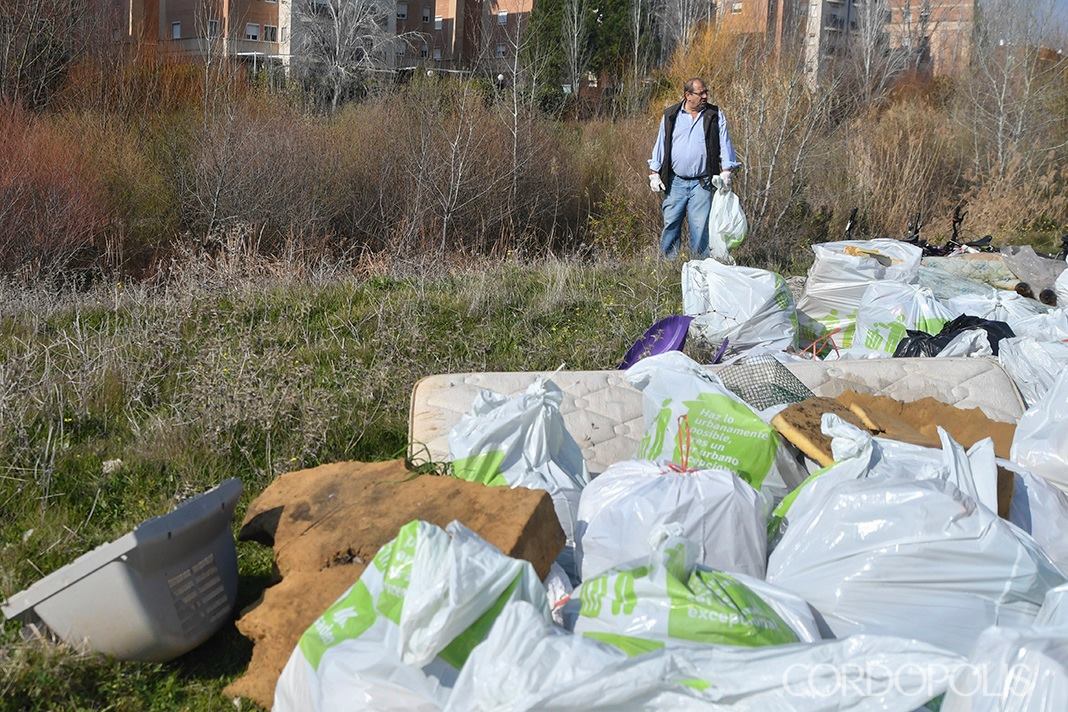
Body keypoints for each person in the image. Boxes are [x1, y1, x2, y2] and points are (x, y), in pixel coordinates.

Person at [648, 78, 741, 259]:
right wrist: (654, 172)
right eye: (701, 93)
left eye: (706, 92)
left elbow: (725, 142)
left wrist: (727, 170)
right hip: (675, 181)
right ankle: (669, 265)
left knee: (700, 226)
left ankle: (699, 266)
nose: (705, 96)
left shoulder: (714, 115)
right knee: (671, 223)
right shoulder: (671, 115)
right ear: (688, 95)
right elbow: (660, 143)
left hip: (702, 182)